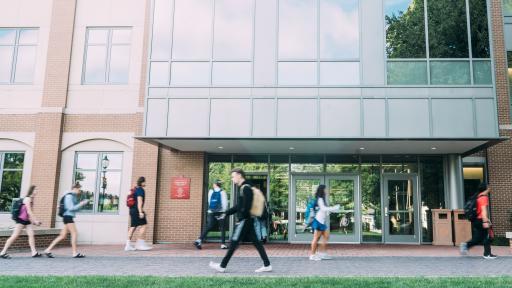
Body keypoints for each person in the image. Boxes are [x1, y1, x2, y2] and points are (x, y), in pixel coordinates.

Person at [209, 168, 272, 273]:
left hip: (245, 220)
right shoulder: (247, 187)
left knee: (234, 242)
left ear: (239, 175)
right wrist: (226, 213)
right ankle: (267, 264)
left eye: (233, 176)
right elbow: (240, 205)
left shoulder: (245, 188)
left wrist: (241, 219)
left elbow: (246, 206)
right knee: (256, 243)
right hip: (249, 220)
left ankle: (222, 266)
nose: (232, 179)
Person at [44, 182, 89, 258]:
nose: (79, 191)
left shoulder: (72, 196)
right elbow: (71, 208)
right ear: (75, 188)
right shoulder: (69, 196)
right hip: (68, 217)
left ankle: (48, 249)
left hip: (67, 217)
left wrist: (81, 205)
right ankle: (74, 253)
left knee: (62, 236)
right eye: (79, 189)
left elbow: (74, 209)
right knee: (74, 233)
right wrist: (82, 203)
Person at [0, 185, 43, 259]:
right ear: (32, 190)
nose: (37, 191)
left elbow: (29, 214)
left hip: (27, 220)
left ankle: (34, 252)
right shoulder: (27, 199)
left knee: (31, 234)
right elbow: (29, 211)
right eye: (36, 189)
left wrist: (34, 222)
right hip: (21, 220)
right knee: (15, 236)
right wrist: (35, 220)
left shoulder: (32, 199)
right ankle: (2, 252)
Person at [460, 183, 497, 259]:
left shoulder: (477, 196)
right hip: (480, 220)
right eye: (489, 187)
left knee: (479, 237)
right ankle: (487, 254)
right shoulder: (483, 198)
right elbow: (483, 211)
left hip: (476, 220)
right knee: (487, 236)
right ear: (486, 189)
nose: (490, 188)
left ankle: (466, 245)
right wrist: (485, 221)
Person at [194, 180, 228, 250]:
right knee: (222, 228)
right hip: (220, 212)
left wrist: (212, 209)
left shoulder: (210, 191)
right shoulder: (223, 192)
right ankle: (223, 244)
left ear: (215, 184)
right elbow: (225, 204)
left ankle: (199, 240)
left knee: (208, 226)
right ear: (220, 185)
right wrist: (224, 212)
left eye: (213, 184)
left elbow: (209, 201)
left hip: (211, 212)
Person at [309, 184, 340, 261]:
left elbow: (325, 211)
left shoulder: (322, 199)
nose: (327, 190)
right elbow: (323, 208)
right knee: (316, 238)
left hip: (321, 221)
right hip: (318, 221)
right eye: (326, 189)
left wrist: (333, 210)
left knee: (326, 236)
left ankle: (321, 253)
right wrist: (334, 207)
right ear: (322, 190)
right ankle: (312, 255)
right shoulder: (319, 199)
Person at [125, 176, 152, 251]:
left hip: (132, 210)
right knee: (144, 225)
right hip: (137, 210)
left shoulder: (135, 189)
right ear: (142, 182)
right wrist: (140, 212)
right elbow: (139, 201)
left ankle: (128, 245)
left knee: (133, 227)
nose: (145, 183)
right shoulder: (140, 189)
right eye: (145, 181)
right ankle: (140, 244)